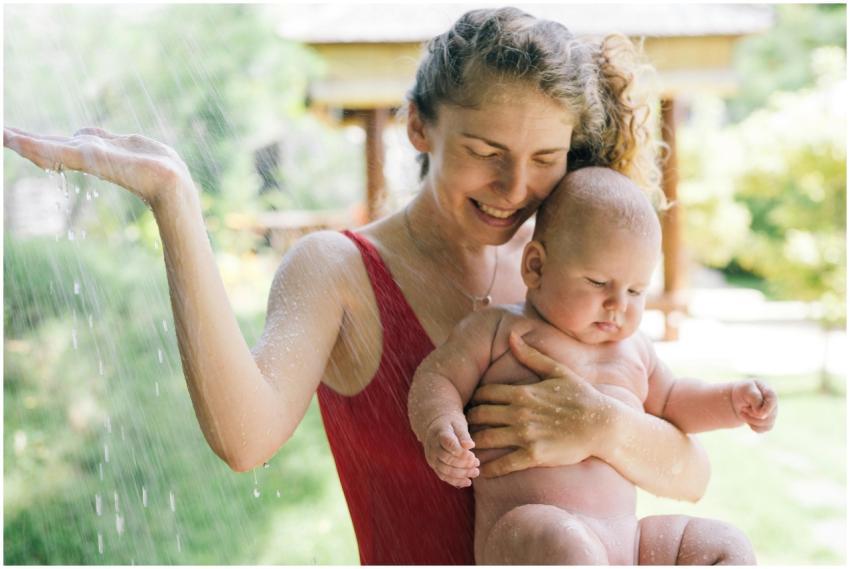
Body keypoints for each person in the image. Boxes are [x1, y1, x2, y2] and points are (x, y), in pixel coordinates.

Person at [4, 6, 740, 565]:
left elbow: (691, 469)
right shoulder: (340, 271)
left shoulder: (567, 271)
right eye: (485, 152)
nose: (514, 187)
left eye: (544, 158)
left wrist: (605, 425)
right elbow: (243, 439)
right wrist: (175, 201)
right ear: (418, 126)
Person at [409, 167, 778, 564]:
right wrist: (440, 425)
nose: (619, 304)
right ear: (535, 267)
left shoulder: (634, 351)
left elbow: (675, 400)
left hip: (628, 541)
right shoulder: (499, 330)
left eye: (636, 290)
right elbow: (438, 376)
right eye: (599, 283)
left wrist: (731, 402)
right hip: (532, 533)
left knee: (725, 544)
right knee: (566, 544)